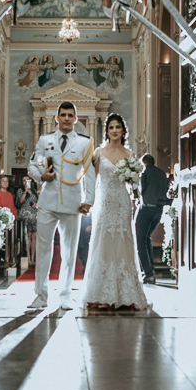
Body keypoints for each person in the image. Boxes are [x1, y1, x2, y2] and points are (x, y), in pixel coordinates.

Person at [27, 101, 96, 310]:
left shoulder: (84, 143)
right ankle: (40, 296)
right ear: (57, 118)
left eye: (70, 115)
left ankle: (65, 295)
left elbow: (90, 174)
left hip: (73, 202)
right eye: (63, 115)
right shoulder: (45, 140)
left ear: (76, 119)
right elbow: (35, 163)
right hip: (48, 201)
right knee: (44, 250)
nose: (66, 118)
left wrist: (89, 200)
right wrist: (41, 175)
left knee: (69, 251)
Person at [82, 114, 150, 311]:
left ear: (123, 130)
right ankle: (101, 293)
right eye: (111, 127)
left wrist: (131, 177)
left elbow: (136, 182)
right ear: (107, 131)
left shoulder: (130, 154)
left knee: (122, 243)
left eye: (117, 127)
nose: (114, 131)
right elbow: (91, 180)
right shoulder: (99, 153)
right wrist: (88, 202)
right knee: (103, 243)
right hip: (104, 203)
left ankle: (125, 293)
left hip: (122, 203)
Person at [134, 153, 170, 284]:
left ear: (143, 163)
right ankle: (150, 271)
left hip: (146, 208)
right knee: (147, 237)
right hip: (158, 209)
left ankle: (148, 273)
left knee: (139, 239)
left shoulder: (144, 172)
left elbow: (139, 189)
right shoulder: (161, 173)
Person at [17, 177, 39, 270]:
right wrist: (25, 191)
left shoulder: (34, 191)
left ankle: (33, 258)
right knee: (28, 236)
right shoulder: (20, 190)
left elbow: (38, 202)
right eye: (24, 180)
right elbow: (20, 201)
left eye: (28, 180)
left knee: (34, 237)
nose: (26, 182)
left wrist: (36, 205)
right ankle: (28, 258)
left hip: (34, 214)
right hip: (25, 214)